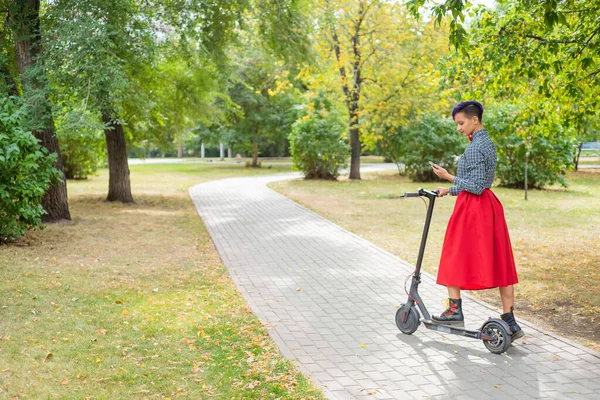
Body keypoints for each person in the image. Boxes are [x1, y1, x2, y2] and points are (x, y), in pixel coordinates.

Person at [429, 100, 524, 341]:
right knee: (500, 259)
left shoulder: (475, 147)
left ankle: (454, 310)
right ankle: (509, 320)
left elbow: (476, 186)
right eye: (457, 124)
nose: (459, 128)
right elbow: (476, 183)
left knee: (453, 254)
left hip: (473, 209)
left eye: (461, 123)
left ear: (474, 120)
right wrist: (448, 190)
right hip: (488, 207)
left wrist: (448, 176)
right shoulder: (485, 142)